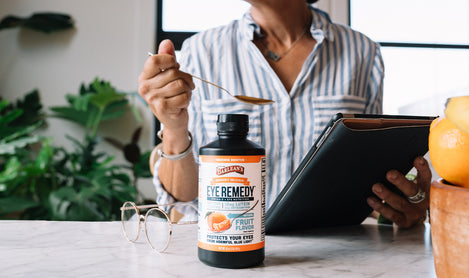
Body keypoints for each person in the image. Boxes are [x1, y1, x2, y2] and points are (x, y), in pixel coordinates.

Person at [138, 0, 432, 229]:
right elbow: (184, 197)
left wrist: (413, 203)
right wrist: (174, 127)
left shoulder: (362, 52)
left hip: (334, 253)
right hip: (230, 248)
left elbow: (371, 176)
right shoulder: (200, 52)